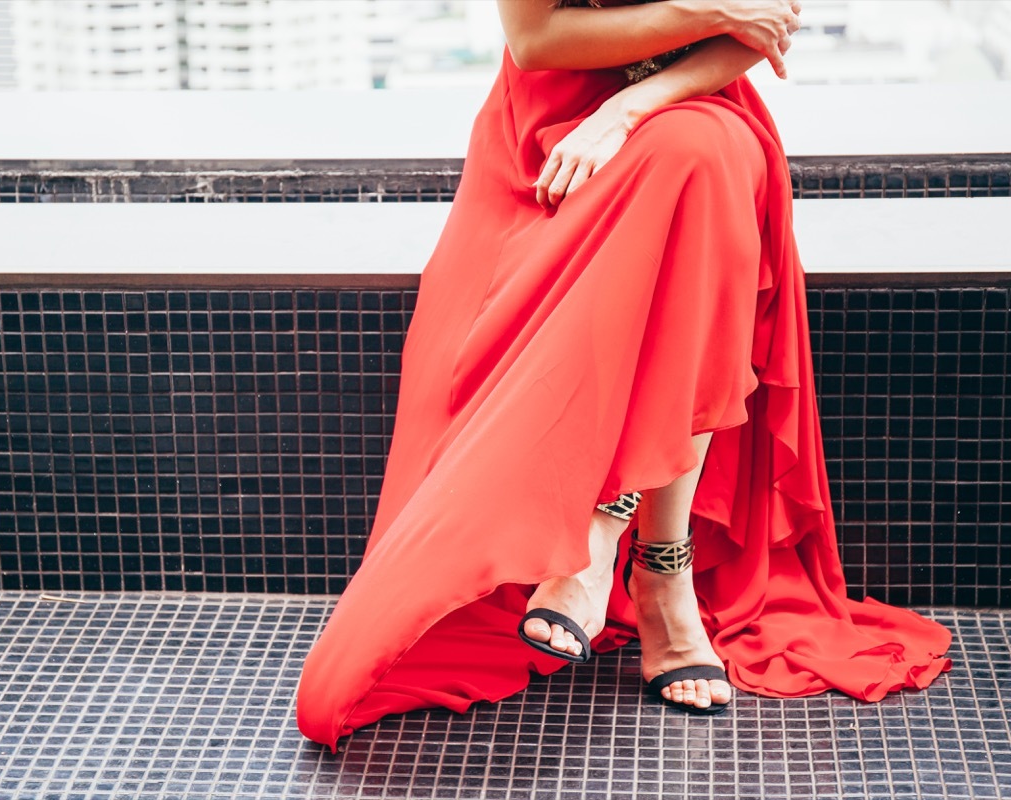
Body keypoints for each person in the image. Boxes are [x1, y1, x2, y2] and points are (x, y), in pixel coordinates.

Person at [296, 0, 952, 752]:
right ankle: (656, 579)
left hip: (689, 106)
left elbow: (760, 29)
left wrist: (632, 106)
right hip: (547, 143)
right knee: (695, 198)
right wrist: (704, 9)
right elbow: (535, 38)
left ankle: (609, 535)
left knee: (697, 160)